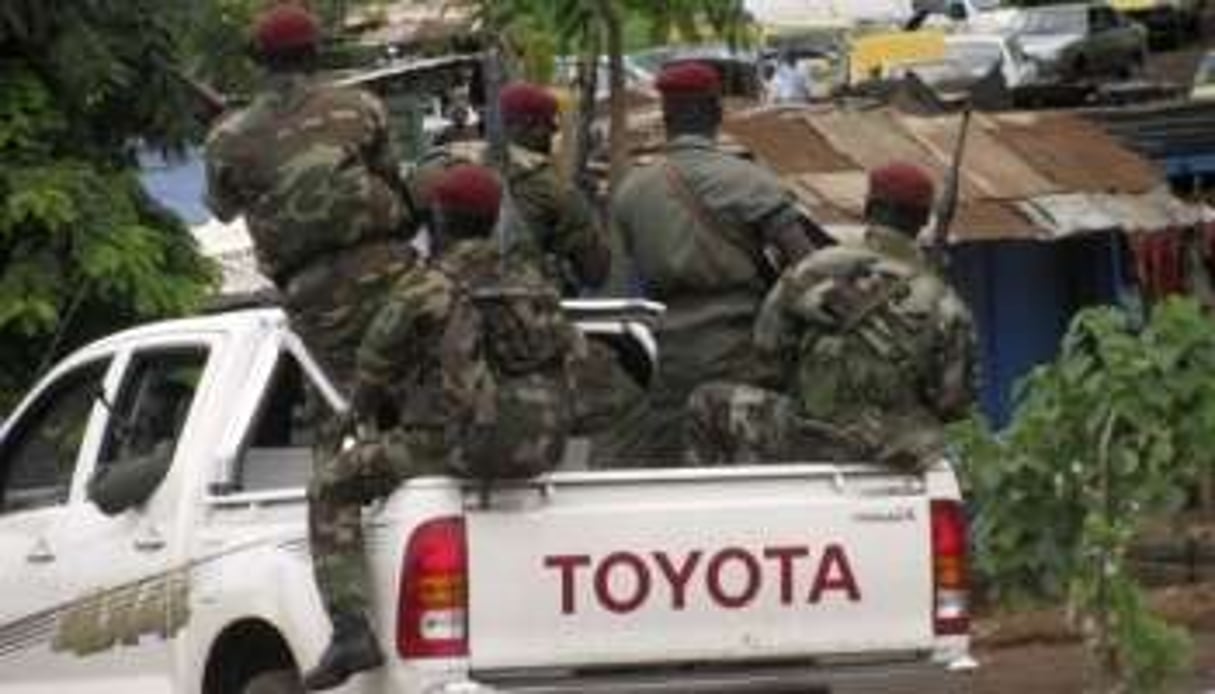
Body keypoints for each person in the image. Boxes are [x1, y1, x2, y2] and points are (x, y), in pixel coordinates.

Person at [201, 5, 415, 689]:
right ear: (317, 53)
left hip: (320, 301)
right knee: (416, 407)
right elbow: (391, 180)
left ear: (259, 62)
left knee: (336, 444)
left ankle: (352, 628)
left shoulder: (231, 135)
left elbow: (222, 209)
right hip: (398, 277)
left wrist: (232, 131)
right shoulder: (362, 107)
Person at [687, 162, 977, 469]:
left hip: (805, 436)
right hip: (892, 448)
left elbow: (765, 365)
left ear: (868, 208)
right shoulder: (946, 301)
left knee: (705, 401)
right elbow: (953, 404)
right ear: (922, 220)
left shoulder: (811, 269)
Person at [606, 61, 818, 464]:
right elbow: (808, 269)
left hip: (667, 360)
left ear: (665, 117)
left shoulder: (632, 192)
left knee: (675, 475)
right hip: (744, 357)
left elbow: (617, 283)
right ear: (717, 114)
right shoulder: (753, 182)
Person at [497, 81, 610, 296]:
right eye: (547, 126)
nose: (553, 133)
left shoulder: (447, 167)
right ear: (524, 126)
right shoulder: (552, 187)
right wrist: (589, 208)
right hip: (533, 314)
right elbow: (596, 271)